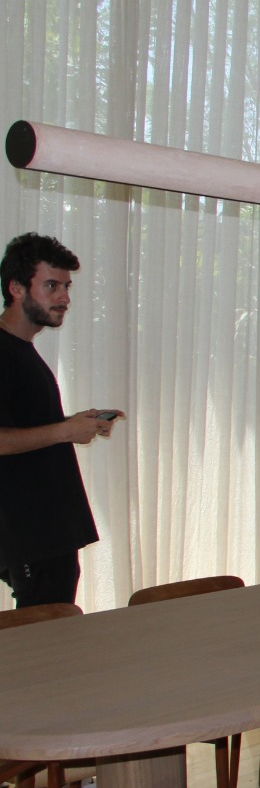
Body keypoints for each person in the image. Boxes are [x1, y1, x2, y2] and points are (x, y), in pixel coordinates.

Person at [0, 232, 122, 607]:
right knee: (45, 634)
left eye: (66, 287)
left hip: (46, 531)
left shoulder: (20, 350)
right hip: (30, 534)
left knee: (53, 627)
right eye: (52, 285)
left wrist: (73, 424)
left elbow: (23, 426)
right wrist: (66, 430)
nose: (64, 298)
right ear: (16, 288)